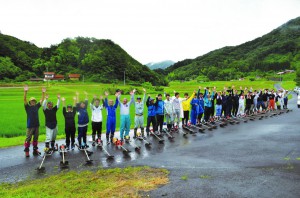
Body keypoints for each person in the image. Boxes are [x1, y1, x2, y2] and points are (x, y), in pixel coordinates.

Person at [23, 85, 45, 157]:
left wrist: (43, 93)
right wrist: (25, 92)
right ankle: (27, 151)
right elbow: (24, 100)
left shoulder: (36, 106)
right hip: (30, 126)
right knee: (28, 139)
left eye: (34, 101)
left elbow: (42, 100)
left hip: (36, 125)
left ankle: (35, 150)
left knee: (35, 138)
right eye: (32, 101)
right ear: (30, 102)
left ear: (35, 102)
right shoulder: (27, 107)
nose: (33, 102)